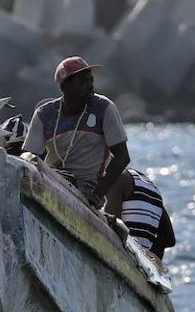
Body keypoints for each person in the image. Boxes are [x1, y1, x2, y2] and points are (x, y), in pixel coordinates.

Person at [22, 56, 130, 209]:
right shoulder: (44, 114)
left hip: (86, 189)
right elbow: (30, 158)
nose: (90, 86)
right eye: (82, 82)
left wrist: (98, 195)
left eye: (90, 81)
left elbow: (122, 157)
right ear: (65, 86)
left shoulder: (104, 108)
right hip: (52, 181)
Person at [106, 168, 176, 260]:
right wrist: (147, 259)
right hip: (140, 266)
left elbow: (110, 230)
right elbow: (168, 238)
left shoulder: (116, 178)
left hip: (123, 258)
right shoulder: (149, 186)